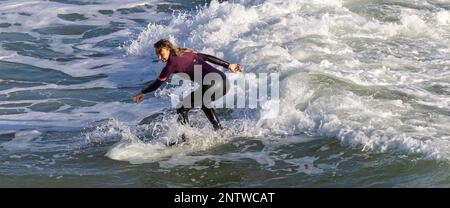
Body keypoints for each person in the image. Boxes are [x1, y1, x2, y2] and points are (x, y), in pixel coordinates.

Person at [134, 39, 241, 131]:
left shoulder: (171, 64)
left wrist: (142, 92)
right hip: (224, 82)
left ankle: (185, 137)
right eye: (157, 54)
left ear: (168, 48)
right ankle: (219, 130)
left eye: (160, 53)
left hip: (213, 85)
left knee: (181, 108)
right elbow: (207, 57)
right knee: (204, 103)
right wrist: (228, 65)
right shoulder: (187, 52)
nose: (159, 57)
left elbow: (157, 83)